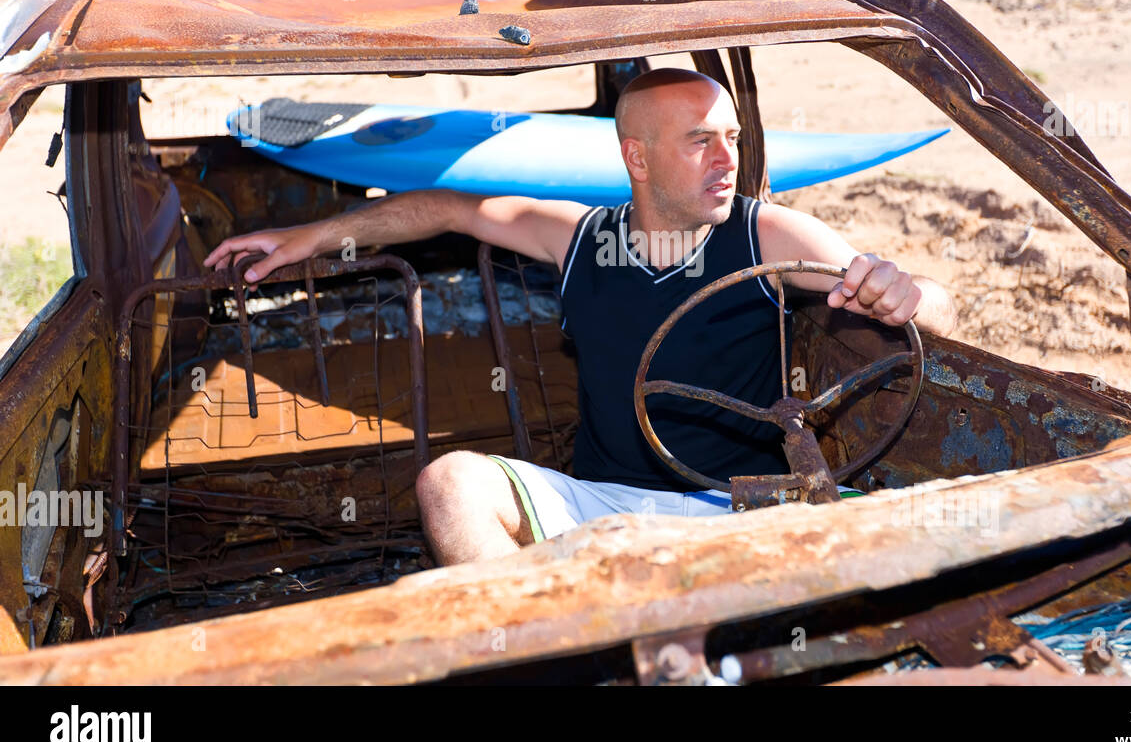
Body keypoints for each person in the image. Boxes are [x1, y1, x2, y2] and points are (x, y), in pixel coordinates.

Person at [205, 68, 956, 566]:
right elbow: (452, 209)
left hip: (742, 508)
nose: (726, 159)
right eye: (700, 141)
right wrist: (309, 237)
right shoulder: (580, 239)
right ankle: (537, 646)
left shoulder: (766, 234)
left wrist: (904, 291)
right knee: (449, 485)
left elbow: (921, 297)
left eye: (730, 138)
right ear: (637, 156)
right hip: (605, 507)